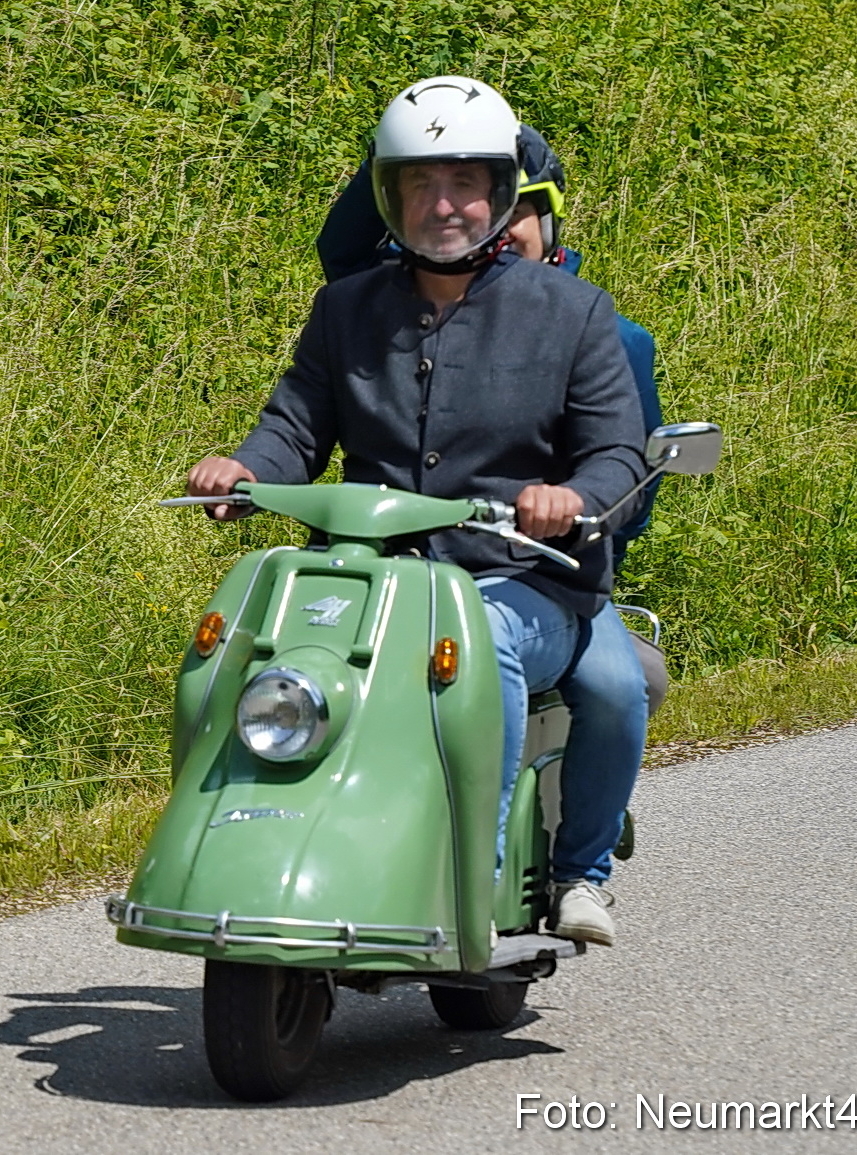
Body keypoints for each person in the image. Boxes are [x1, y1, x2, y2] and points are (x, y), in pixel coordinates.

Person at [187, 77, 648, 945]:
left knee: (499, 650)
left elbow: (618, 453)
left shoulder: (575, 313)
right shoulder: (346, 310)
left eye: (465, 184)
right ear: (390, 197)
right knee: (236, 636)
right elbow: (296, 425)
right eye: (420, 186)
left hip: (522, 577)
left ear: (500, 192)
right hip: (371, 578)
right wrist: (245, 469)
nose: (444, 205)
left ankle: (497, 866)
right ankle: (237, 834)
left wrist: (571, 498)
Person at [316, 127, 664, 569]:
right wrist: (401, 144)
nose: (495, 233)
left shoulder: (605, 333)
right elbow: (344, 255)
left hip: (538, 563)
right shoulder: (409, 300)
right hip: (390, 557)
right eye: (486, 212)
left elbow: (630, 473)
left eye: (513, 212)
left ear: (547, 219)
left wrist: (577, 526)